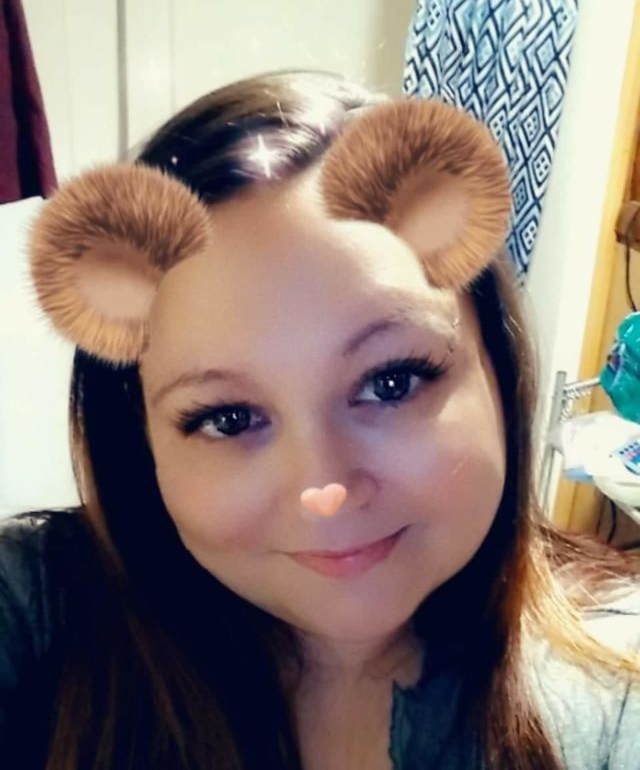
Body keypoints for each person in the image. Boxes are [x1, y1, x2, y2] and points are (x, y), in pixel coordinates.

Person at [1, 70, 639, 770]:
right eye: (228, 418)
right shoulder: (37, 613)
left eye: (392, 382)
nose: (323, 489)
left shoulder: (615, 688)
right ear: (142, 445)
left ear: (497, 366)